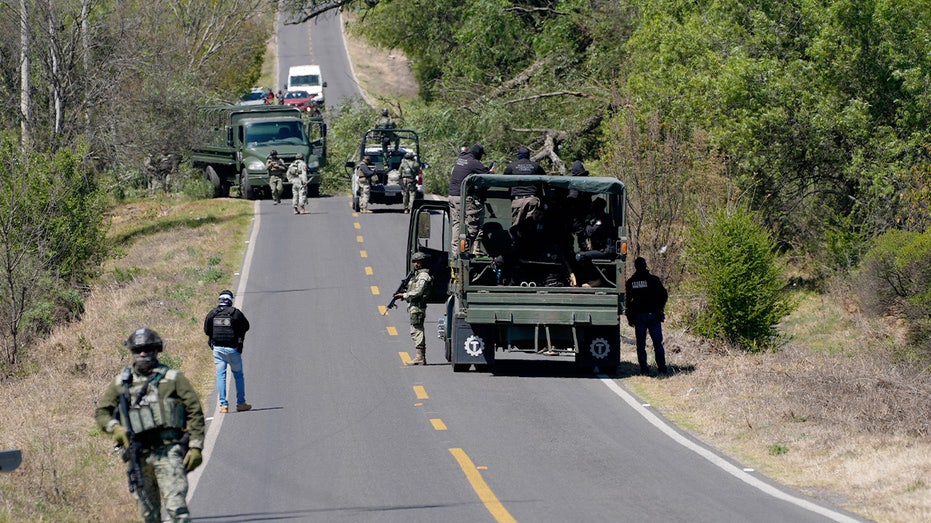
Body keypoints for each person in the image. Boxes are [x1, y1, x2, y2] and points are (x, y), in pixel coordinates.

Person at [94, 327, 205, 523]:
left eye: (148, 349)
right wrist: (115, 428)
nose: (143, 354)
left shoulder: (172, 378)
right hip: (139, 455)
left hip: (169, 452)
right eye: (138, 350)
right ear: (132, 352)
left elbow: (194, 410)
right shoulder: (122, 383)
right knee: (149, 514)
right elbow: (102, 412)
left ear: (156, 351)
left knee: (177, 508)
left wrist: (195, 446)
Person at [203, 290, 252, 413]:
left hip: (218, 349)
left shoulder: (212, 314)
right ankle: (241, 403)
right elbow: (246, 326)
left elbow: (207, 330)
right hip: (233, 349)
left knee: (221, 376)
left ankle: (223, 405)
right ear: (230, 301)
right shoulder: (235, 313)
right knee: (238, 375)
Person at [625, 257, 669, 376]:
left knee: (641, 345)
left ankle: (644, 370)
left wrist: (629, 317)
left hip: (639, 316)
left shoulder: (631, 282)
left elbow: (627, 302)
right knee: (657, 344)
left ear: (635, 267)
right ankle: (662, 369)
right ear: (645, 266)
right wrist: (660, 308)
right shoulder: (653, 280)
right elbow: (664, 295)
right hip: (653, 315)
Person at [448, 144, 492, 260]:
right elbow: (487, 177)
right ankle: (464, 249)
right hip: (463, 197)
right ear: (478, 154)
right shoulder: (474, 162)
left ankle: (456, 252)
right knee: (474, 225)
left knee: (457, 224)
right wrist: (491, 171)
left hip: (452, 196)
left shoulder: (461, 159)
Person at [394, 252, 433, 365]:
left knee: (417, 330)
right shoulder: (416, 275)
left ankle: (420, 357)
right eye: (414, 262)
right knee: (415, 330)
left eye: (418, 262)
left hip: (418, 307)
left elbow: (418, 291)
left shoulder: (423, 276)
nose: (416, 264)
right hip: (414, 306)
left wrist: (404, 295)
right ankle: (420, 356)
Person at [575, 198, 616, 287]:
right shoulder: (599, 218)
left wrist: (586, 221)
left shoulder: (603, 219)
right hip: (601, 250)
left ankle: (595, 279)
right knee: (579, 254)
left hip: (605, 251)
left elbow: (590, 232)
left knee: (580, 256)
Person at [503, 146, 545, 227]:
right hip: (532, 200)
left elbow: (504, 180)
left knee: (516, 227)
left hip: (517, 200)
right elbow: (545, 179)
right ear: (528, 155)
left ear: (518, 155)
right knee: (531, 226)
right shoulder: (536, 166)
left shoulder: (512, 166)